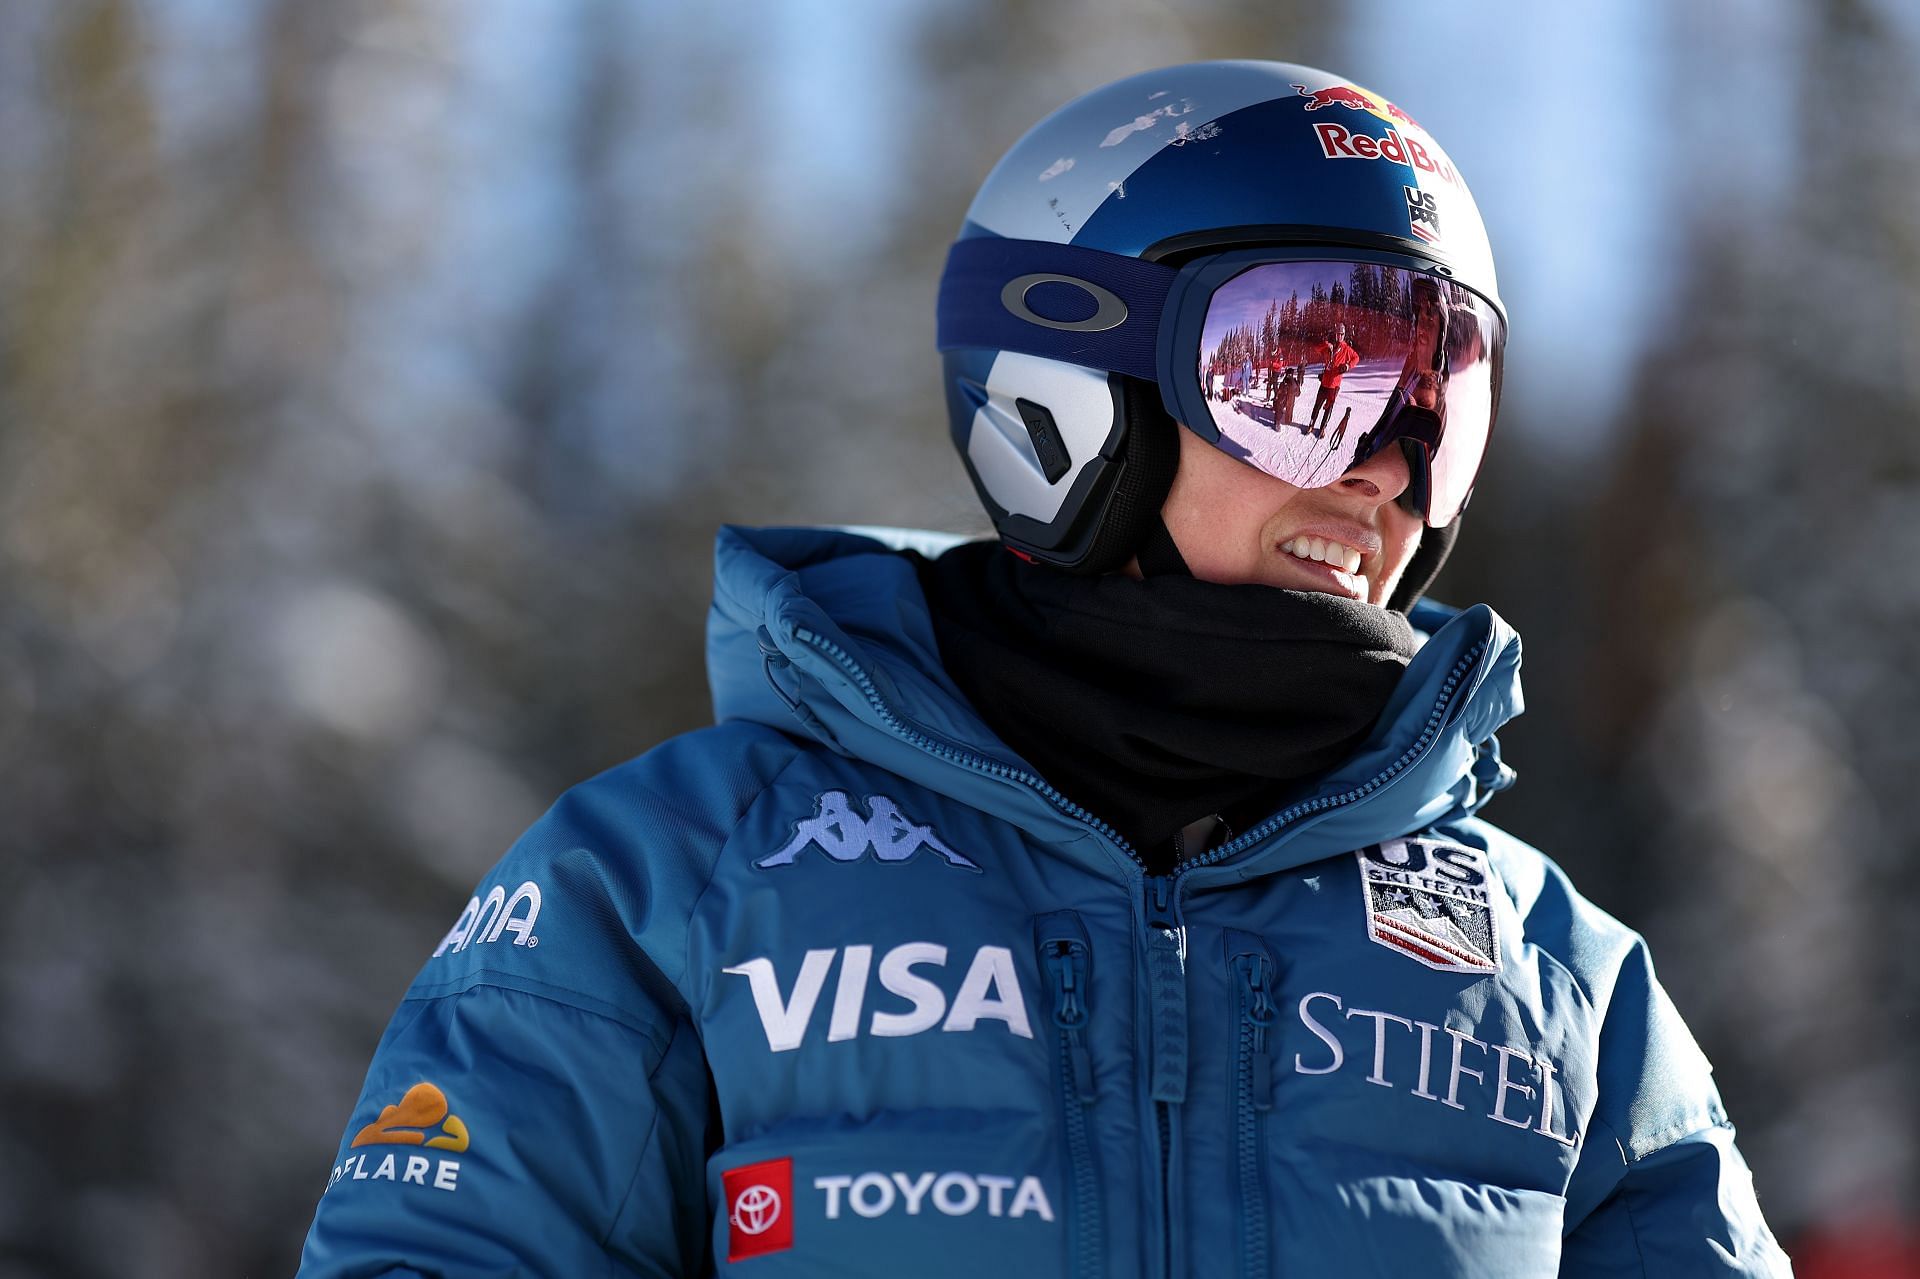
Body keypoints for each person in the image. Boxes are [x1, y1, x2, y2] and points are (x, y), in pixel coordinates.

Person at [296, 61, 1790, 1277]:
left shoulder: (1558, 977)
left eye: (1435, 401)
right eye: (1306, 378)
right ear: (1072, 389)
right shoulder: (670, 879)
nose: (1387, 472)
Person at [1308, 323, 1359, 437]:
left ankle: (1322, 428)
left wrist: (1347, 366)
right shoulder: (1329, 347)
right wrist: (1326, 344)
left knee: (1328, 408)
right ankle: (1311, 424)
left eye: (1341, 334)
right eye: (1337, 334)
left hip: (1334, 385)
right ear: (1335, 334)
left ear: (1344, 335)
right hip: (1324, 382)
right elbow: (1316, 348)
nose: (1339, 336)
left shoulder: (1346, 349)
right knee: (1317, 405)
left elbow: (1356, 358)